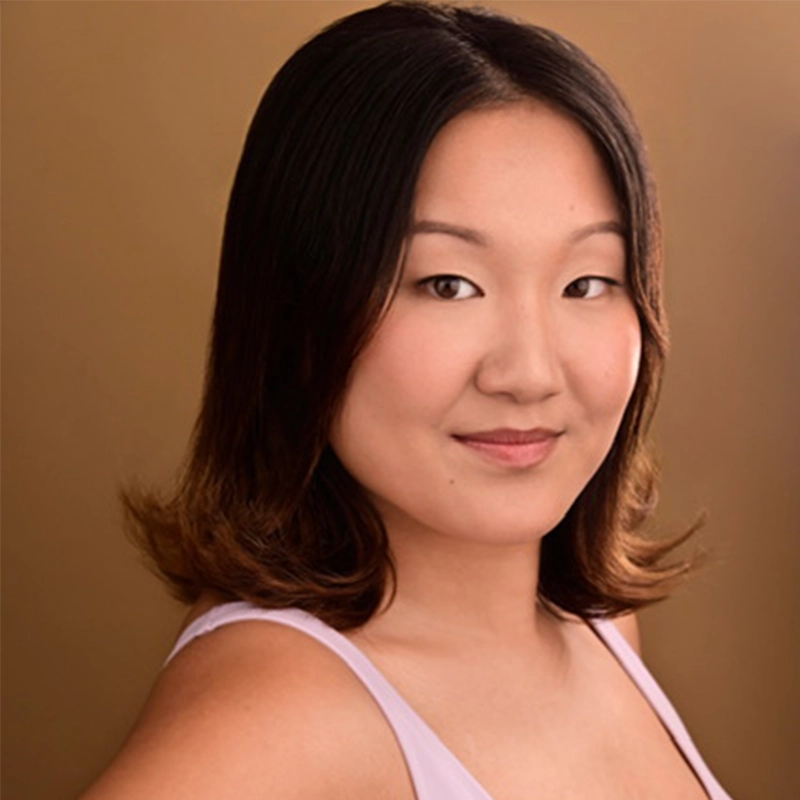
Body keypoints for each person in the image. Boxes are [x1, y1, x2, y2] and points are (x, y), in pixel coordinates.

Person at [81, 2, 732, 798]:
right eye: (447, 284)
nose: (528, 372)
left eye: (586, 282)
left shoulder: (597, 631)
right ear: (301, 312)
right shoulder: (276, 718)